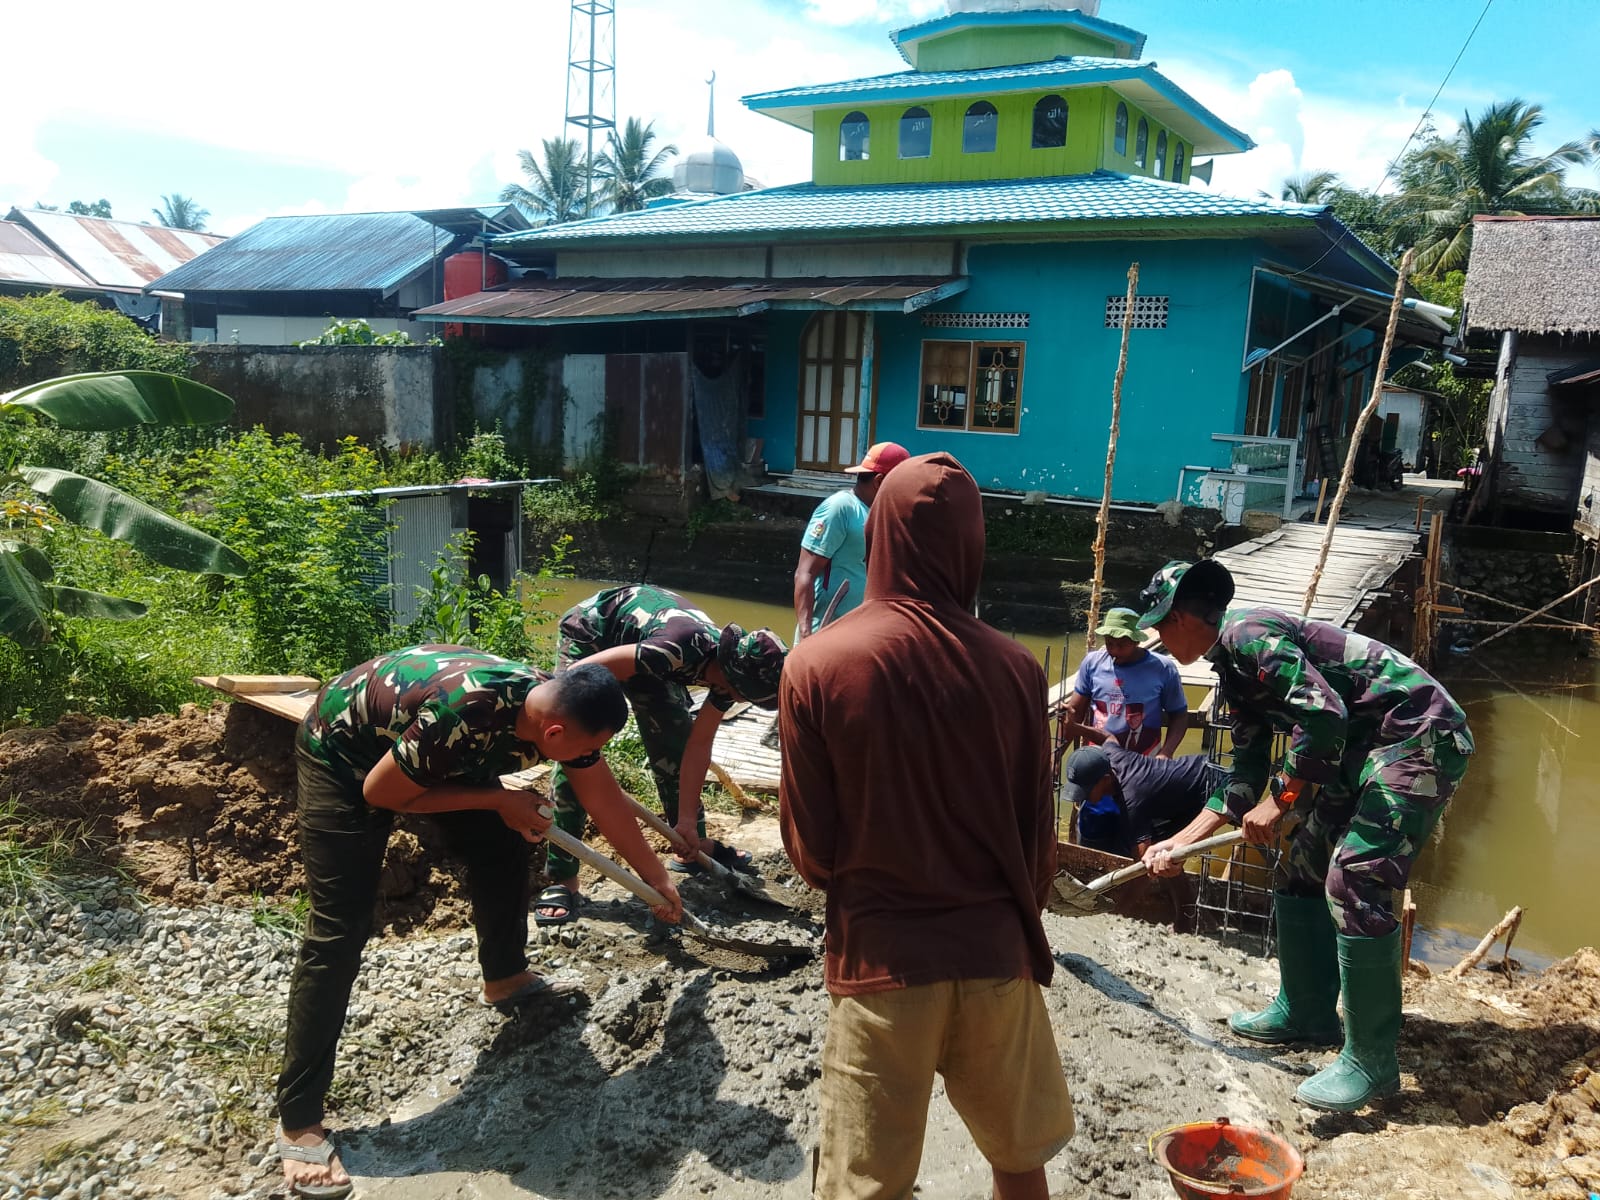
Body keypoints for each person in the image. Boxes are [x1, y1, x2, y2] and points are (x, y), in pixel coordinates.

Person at [276, 645, 683, 1199]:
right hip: (345, 758)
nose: (591, 758)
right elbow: (381, 791)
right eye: (589, 749)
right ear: (554, 733)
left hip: (436, 754)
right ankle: (299, 1121)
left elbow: (602, 796)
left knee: (504, 847)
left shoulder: (552, 705)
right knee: (339, 931)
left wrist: (655, 877)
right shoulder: (464, 716)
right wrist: (496, 798)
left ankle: (505, 977)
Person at [781, 452, 1074, 1200]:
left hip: (881, 962)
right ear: (973, 546)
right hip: (996, 956)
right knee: (1019, 1162)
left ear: (877, 536)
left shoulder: (817, 666)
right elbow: (1036, 842)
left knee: (865, 1186)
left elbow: (813, 851)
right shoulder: (1017, 669)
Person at [1135, 559, 1473, 1113]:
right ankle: (1307, 1012)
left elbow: (1324, 715)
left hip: (1419, 737)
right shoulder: (1232, 671)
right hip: (1359, 747)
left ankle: (1372, 1062)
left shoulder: (1249, 636)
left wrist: (1281, 800)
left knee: (1355, 877)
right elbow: (1244, 776)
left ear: (1181, 619)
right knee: (1302, 868)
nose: (1158, 642)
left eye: (1159, 627)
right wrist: (1180, 842)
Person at [541, 584, 787, 925]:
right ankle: (562, 877)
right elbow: (575, 678)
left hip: (643, 650)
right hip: (596, 635)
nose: (742, 700)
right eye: (745, 695)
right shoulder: (673, 650)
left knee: (674, 741)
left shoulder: (726, 676)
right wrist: (560, 715)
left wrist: (686, 820)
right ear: (734, 677)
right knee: (577, 754)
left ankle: (690, 843)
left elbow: (698, 746)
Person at [792, 441, 910, 641]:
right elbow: (805, 573)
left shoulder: (885, 513)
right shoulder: (841, 508)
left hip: (862, 632)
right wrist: (806, 633)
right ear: (879, 481)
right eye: (901, 482)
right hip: (826, 632)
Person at [1056, 606, 1189, 756]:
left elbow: (1179, 715)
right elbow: (1075, 712)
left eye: (1121, 644)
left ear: (1136, 641)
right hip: (1099, 757)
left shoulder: (1163, 668)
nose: (1115, 650)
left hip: (1144, 760)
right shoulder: (1092, 663)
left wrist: (1166, 753)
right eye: (1109, 643)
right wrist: (1056, 755)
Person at [1063, 741, 1220, 860]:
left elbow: (1142, 862)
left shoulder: (1131, 799)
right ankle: (1180, 893)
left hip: (1208, 785)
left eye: (1087, 789)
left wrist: (1125, 896)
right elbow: (1108, 738)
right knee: (1161, 852)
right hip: (1190, 774)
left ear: (1106, 779)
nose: (1082, 796)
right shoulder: (1110, 754)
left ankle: (1182, 893)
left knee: (1157, 856)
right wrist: (1077, 728)